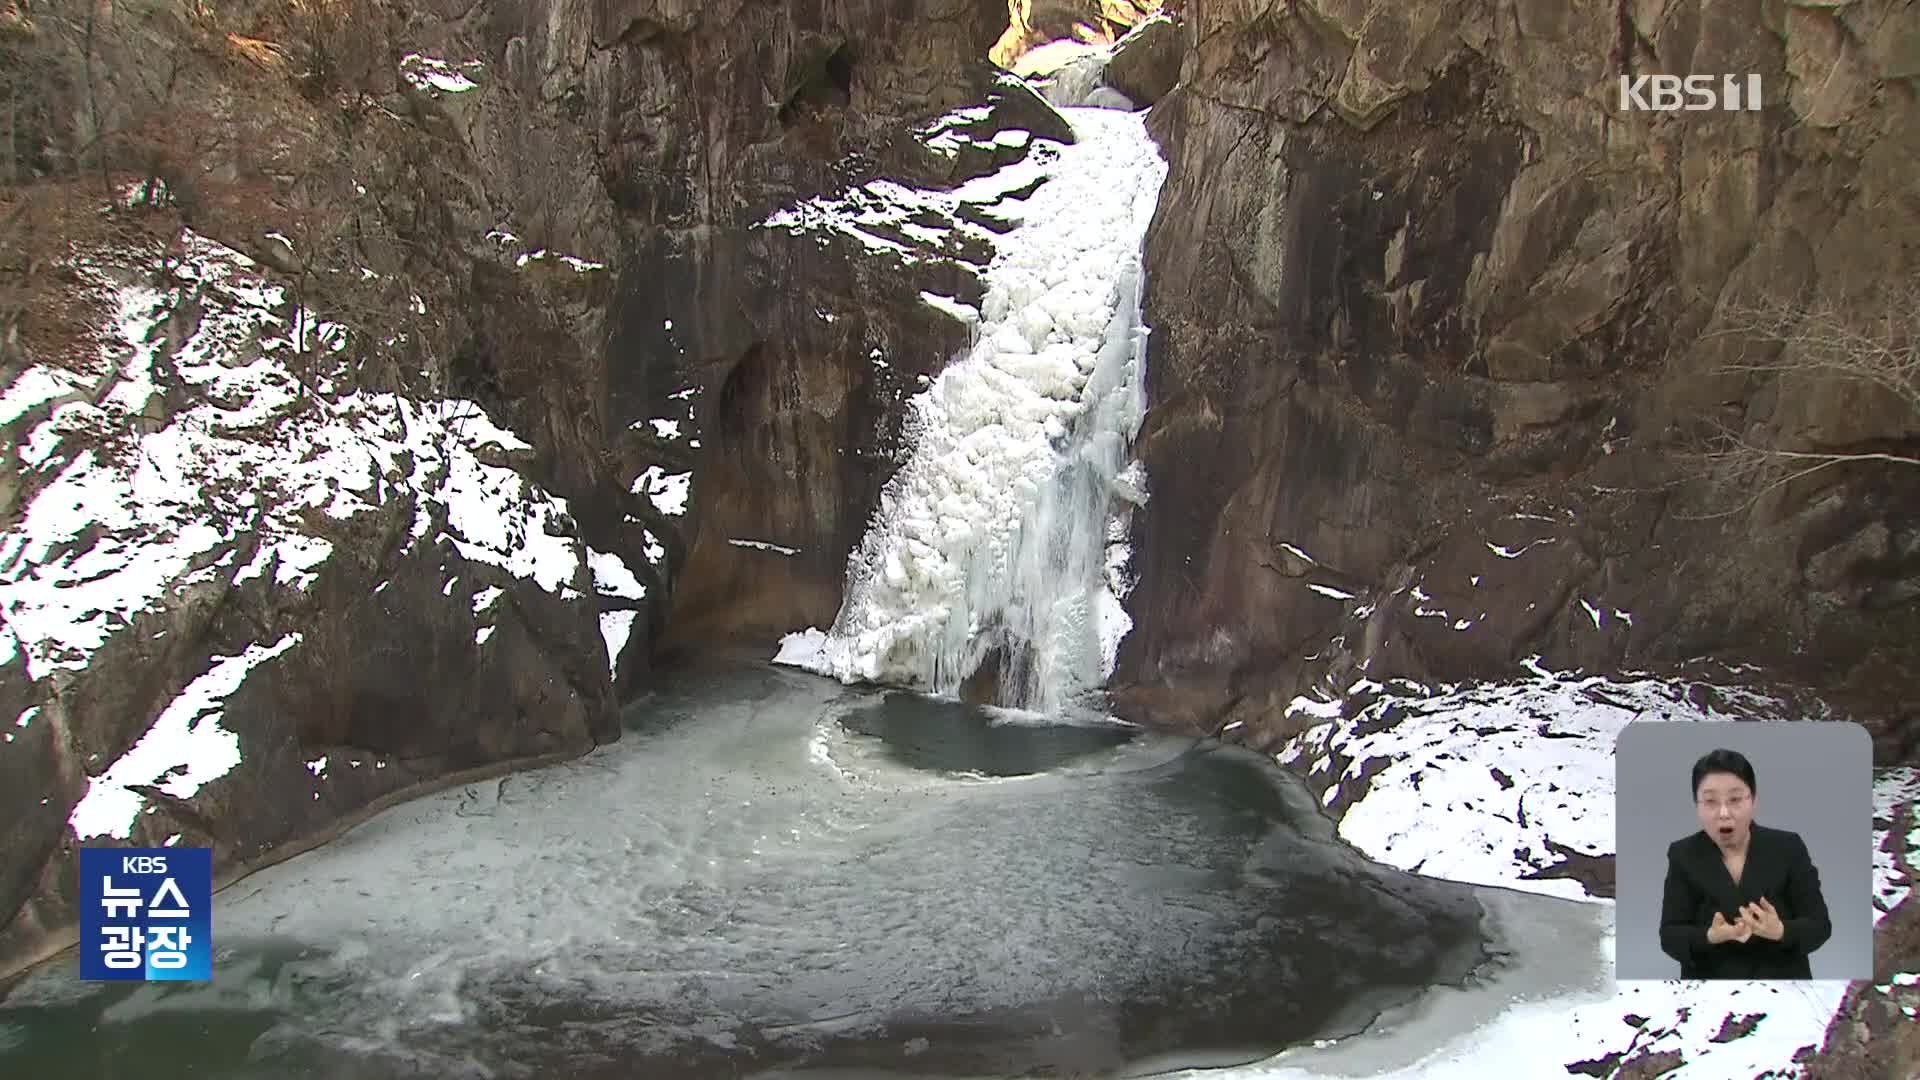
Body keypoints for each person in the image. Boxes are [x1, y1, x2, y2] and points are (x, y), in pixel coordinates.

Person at [1658, 748, 1832, 978]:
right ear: (1697, 805)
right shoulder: (1683, 854)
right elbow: (1670, 936)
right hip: (1711, 993)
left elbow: (1819, 926)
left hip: (1783, 990)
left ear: (1753, 800)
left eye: (1735, 799)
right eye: (1710, 801)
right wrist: (1710, 937)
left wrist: (1780, 931)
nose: (1723, 813)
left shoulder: (1788, 847)